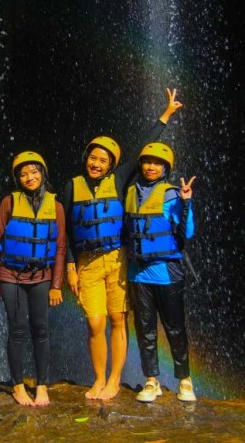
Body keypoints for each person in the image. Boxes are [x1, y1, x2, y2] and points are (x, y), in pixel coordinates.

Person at [64, 88, 183, 400]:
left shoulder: (118, 181)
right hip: (87, 262)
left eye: (103, 160)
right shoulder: (72, 186)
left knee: (118, 319)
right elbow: (68, 231)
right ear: (86, 159)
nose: (96, 163)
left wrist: (165, 115)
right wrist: (70, 266)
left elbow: (143, 148)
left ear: (111, 165)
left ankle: (115, 379)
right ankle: (98, 378)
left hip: (117, 259)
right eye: (93, 157)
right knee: (94, 322)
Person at [0, 151, 65, 406]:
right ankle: (18, 386)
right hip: (11, 274)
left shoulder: (56, 206)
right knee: (17, 328)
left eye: (34, 172)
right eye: (23, 174)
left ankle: (42, 385)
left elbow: (60, 247)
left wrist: (56, 285)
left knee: (41, 329)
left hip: (41, 275)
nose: (29, 177)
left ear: (42, 174)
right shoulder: (9, 202)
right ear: (17, 178)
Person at [124, 142, 196, 403]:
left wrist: (186, 203)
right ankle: (151, 380)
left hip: (166, 272)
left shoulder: (173, 195)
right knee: (145, 330)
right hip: (138, 273)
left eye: (157, 163)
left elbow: (187, 233)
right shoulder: (130, 193)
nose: (151, 167)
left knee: (174, 328)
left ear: (165, 169)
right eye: (147, 162)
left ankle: (184, 379)